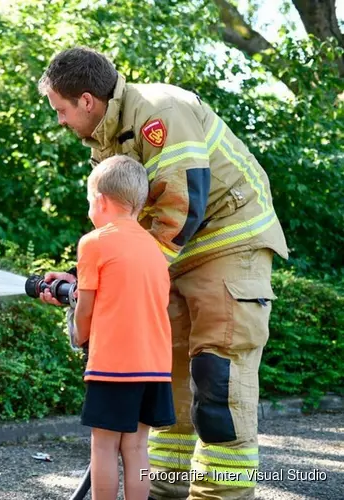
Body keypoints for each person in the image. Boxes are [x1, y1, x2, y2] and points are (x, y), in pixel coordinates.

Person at [37, 47, 289, 500]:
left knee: (218, 384)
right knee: (165, 387)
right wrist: (87, 275)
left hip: (227, 247)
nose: (60, 120)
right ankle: (162, 492)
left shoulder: (159, 112)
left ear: (87, 101)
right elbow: (118, 227)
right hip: (170, 259)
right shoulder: (109, 141)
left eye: (61, 109)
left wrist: (117, 279)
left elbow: (184, 202)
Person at [74, 155, 175, 500]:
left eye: (90, 201)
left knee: (103, 447)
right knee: (136, 449)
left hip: (114, 365)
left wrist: (78, 335)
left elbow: (85, 307)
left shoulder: (94, 242)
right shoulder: (155, 248)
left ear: (100, 200)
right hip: (155, 366)